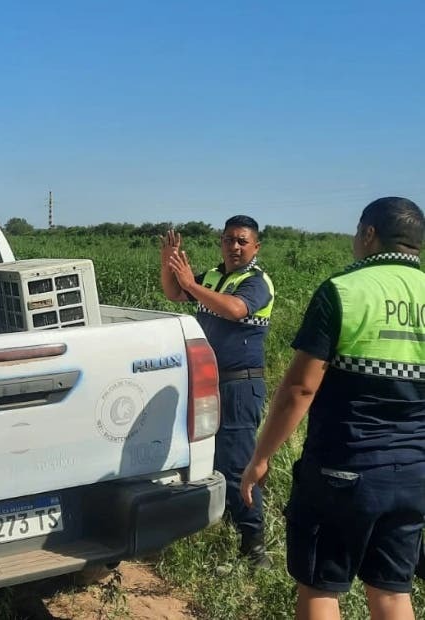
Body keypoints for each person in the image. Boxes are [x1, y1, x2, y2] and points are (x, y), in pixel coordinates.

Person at [240, 197, 425, 619]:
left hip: (343, 469)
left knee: (320, 588)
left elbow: (299, 389)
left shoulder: (343, 290)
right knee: (392, 591)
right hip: (413, 474)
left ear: (369, 234)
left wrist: (261, 456)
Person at [160, 215, 274, 567]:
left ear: (255, 246)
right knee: (212, 457)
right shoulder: (212, 276)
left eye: (242, 241)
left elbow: (235, 309)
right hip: (209, 382)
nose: (234, 246)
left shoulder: (256, 282)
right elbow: (173, 292)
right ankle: (224, 522)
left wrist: (189, 284)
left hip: (240, 384)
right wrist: (169, 265)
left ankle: (254, 545)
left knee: (238, 462)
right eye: (228, 240)